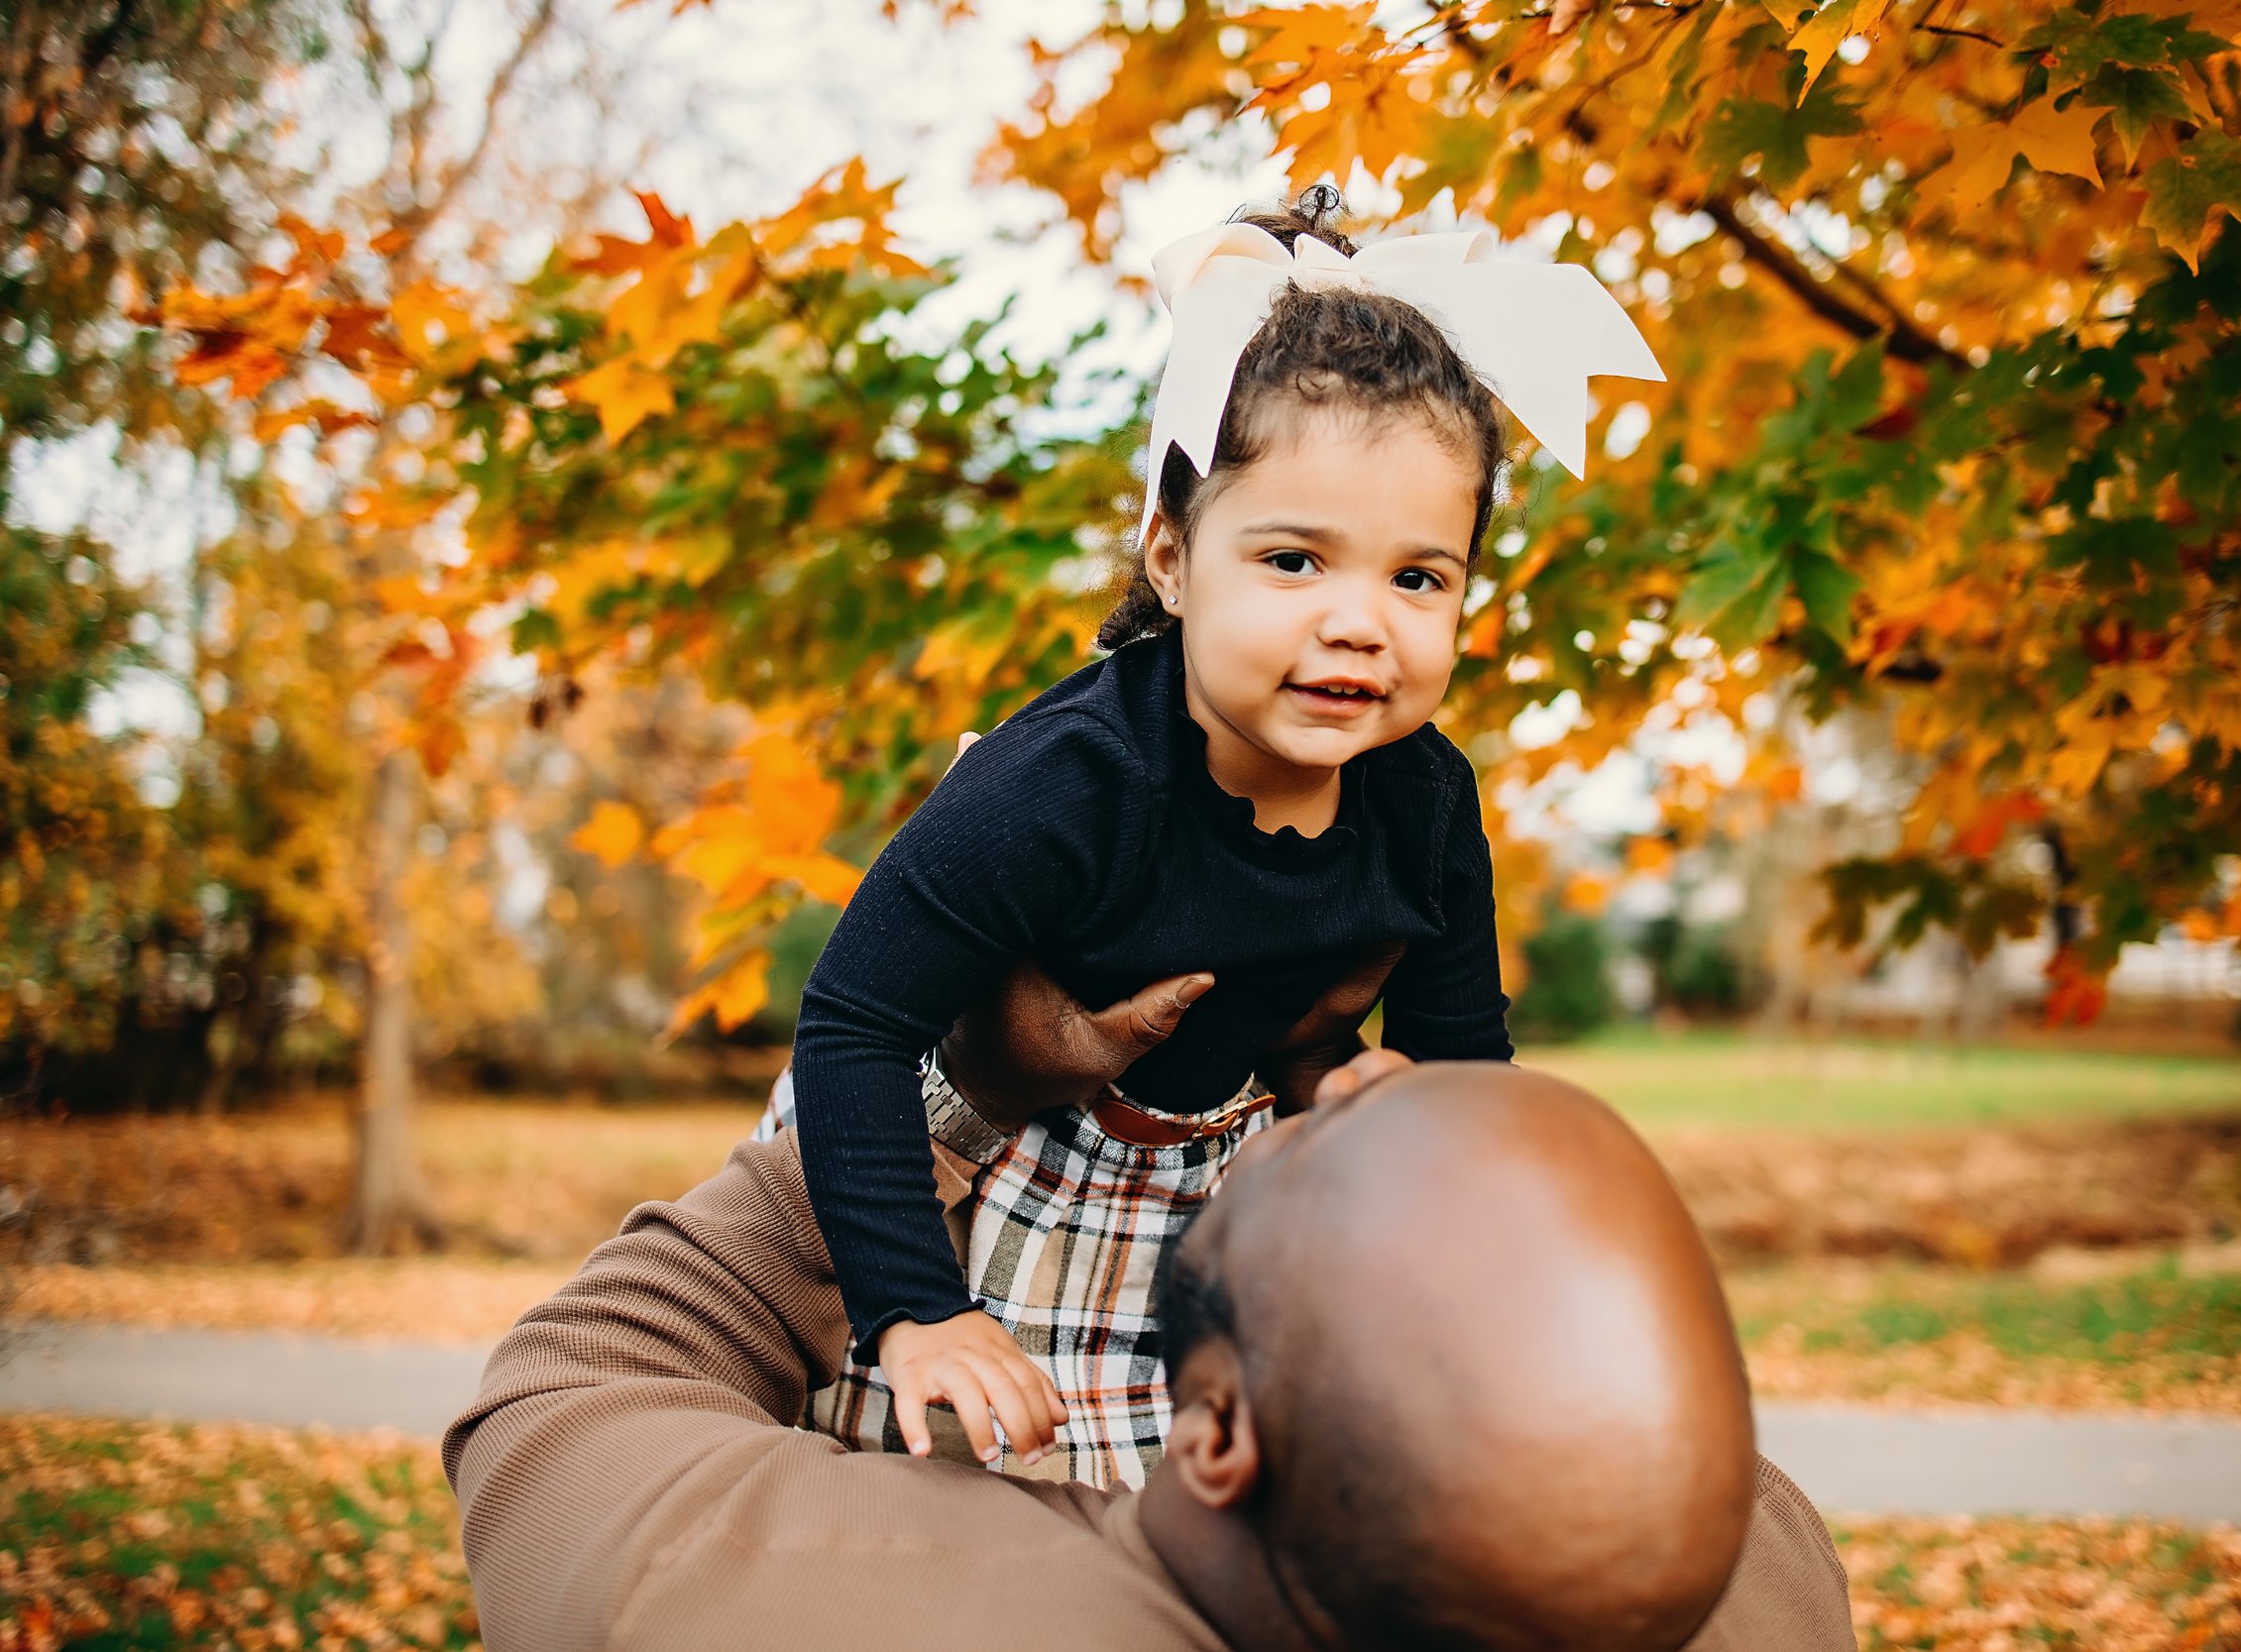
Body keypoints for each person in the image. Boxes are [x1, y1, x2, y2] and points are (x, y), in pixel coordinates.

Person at [781, 185, 1667, 1487]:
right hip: (972, 1176)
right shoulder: (1068, 783)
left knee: (1243, 1539)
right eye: (1295, 561)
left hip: (1216, 1206)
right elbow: (852, 1027)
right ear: (1175, 560)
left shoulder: (1422, 803)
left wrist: (1395, 1103)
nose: (1361, 621)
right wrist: (919, 1312)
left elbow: (1462, 1069)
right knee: (975, 1529)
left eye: (1418, 575)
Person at [443, 1011, 1856, 1652]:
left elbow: (578, 1386)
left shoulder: (792, 1599)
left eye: (1331, 1159)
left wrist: (956, 1095)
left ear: (1225, 1431)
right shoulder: (1772, 1593)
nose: (1349, 1088)